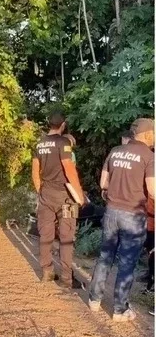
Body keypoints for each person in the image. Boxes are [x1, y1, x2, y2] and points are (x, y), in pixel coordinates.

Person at [87, 118, 155, 321]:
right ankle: (119, 309)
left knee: (105, 257)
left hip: (111, 212)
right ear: (148, 134)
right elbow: (152, 189)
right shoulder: (149, 156)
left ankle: (94, 300)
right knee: (127, 262)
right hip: (133, 216)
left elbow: (103, 183)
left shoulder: (115, 151)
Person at [31, 112, 85, 288]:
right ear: (63, 125)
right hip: (66, 197)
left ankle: (47, 272)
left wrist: (41, 191)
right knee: (66, 236)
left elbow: (35, 172)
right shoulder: (64, 142)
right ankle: (67, 279)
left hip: (46, 194)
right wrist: (79, 194)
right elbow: (69, 169)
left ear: (49, 124)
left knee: (45, 234)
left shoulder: (39, 143)